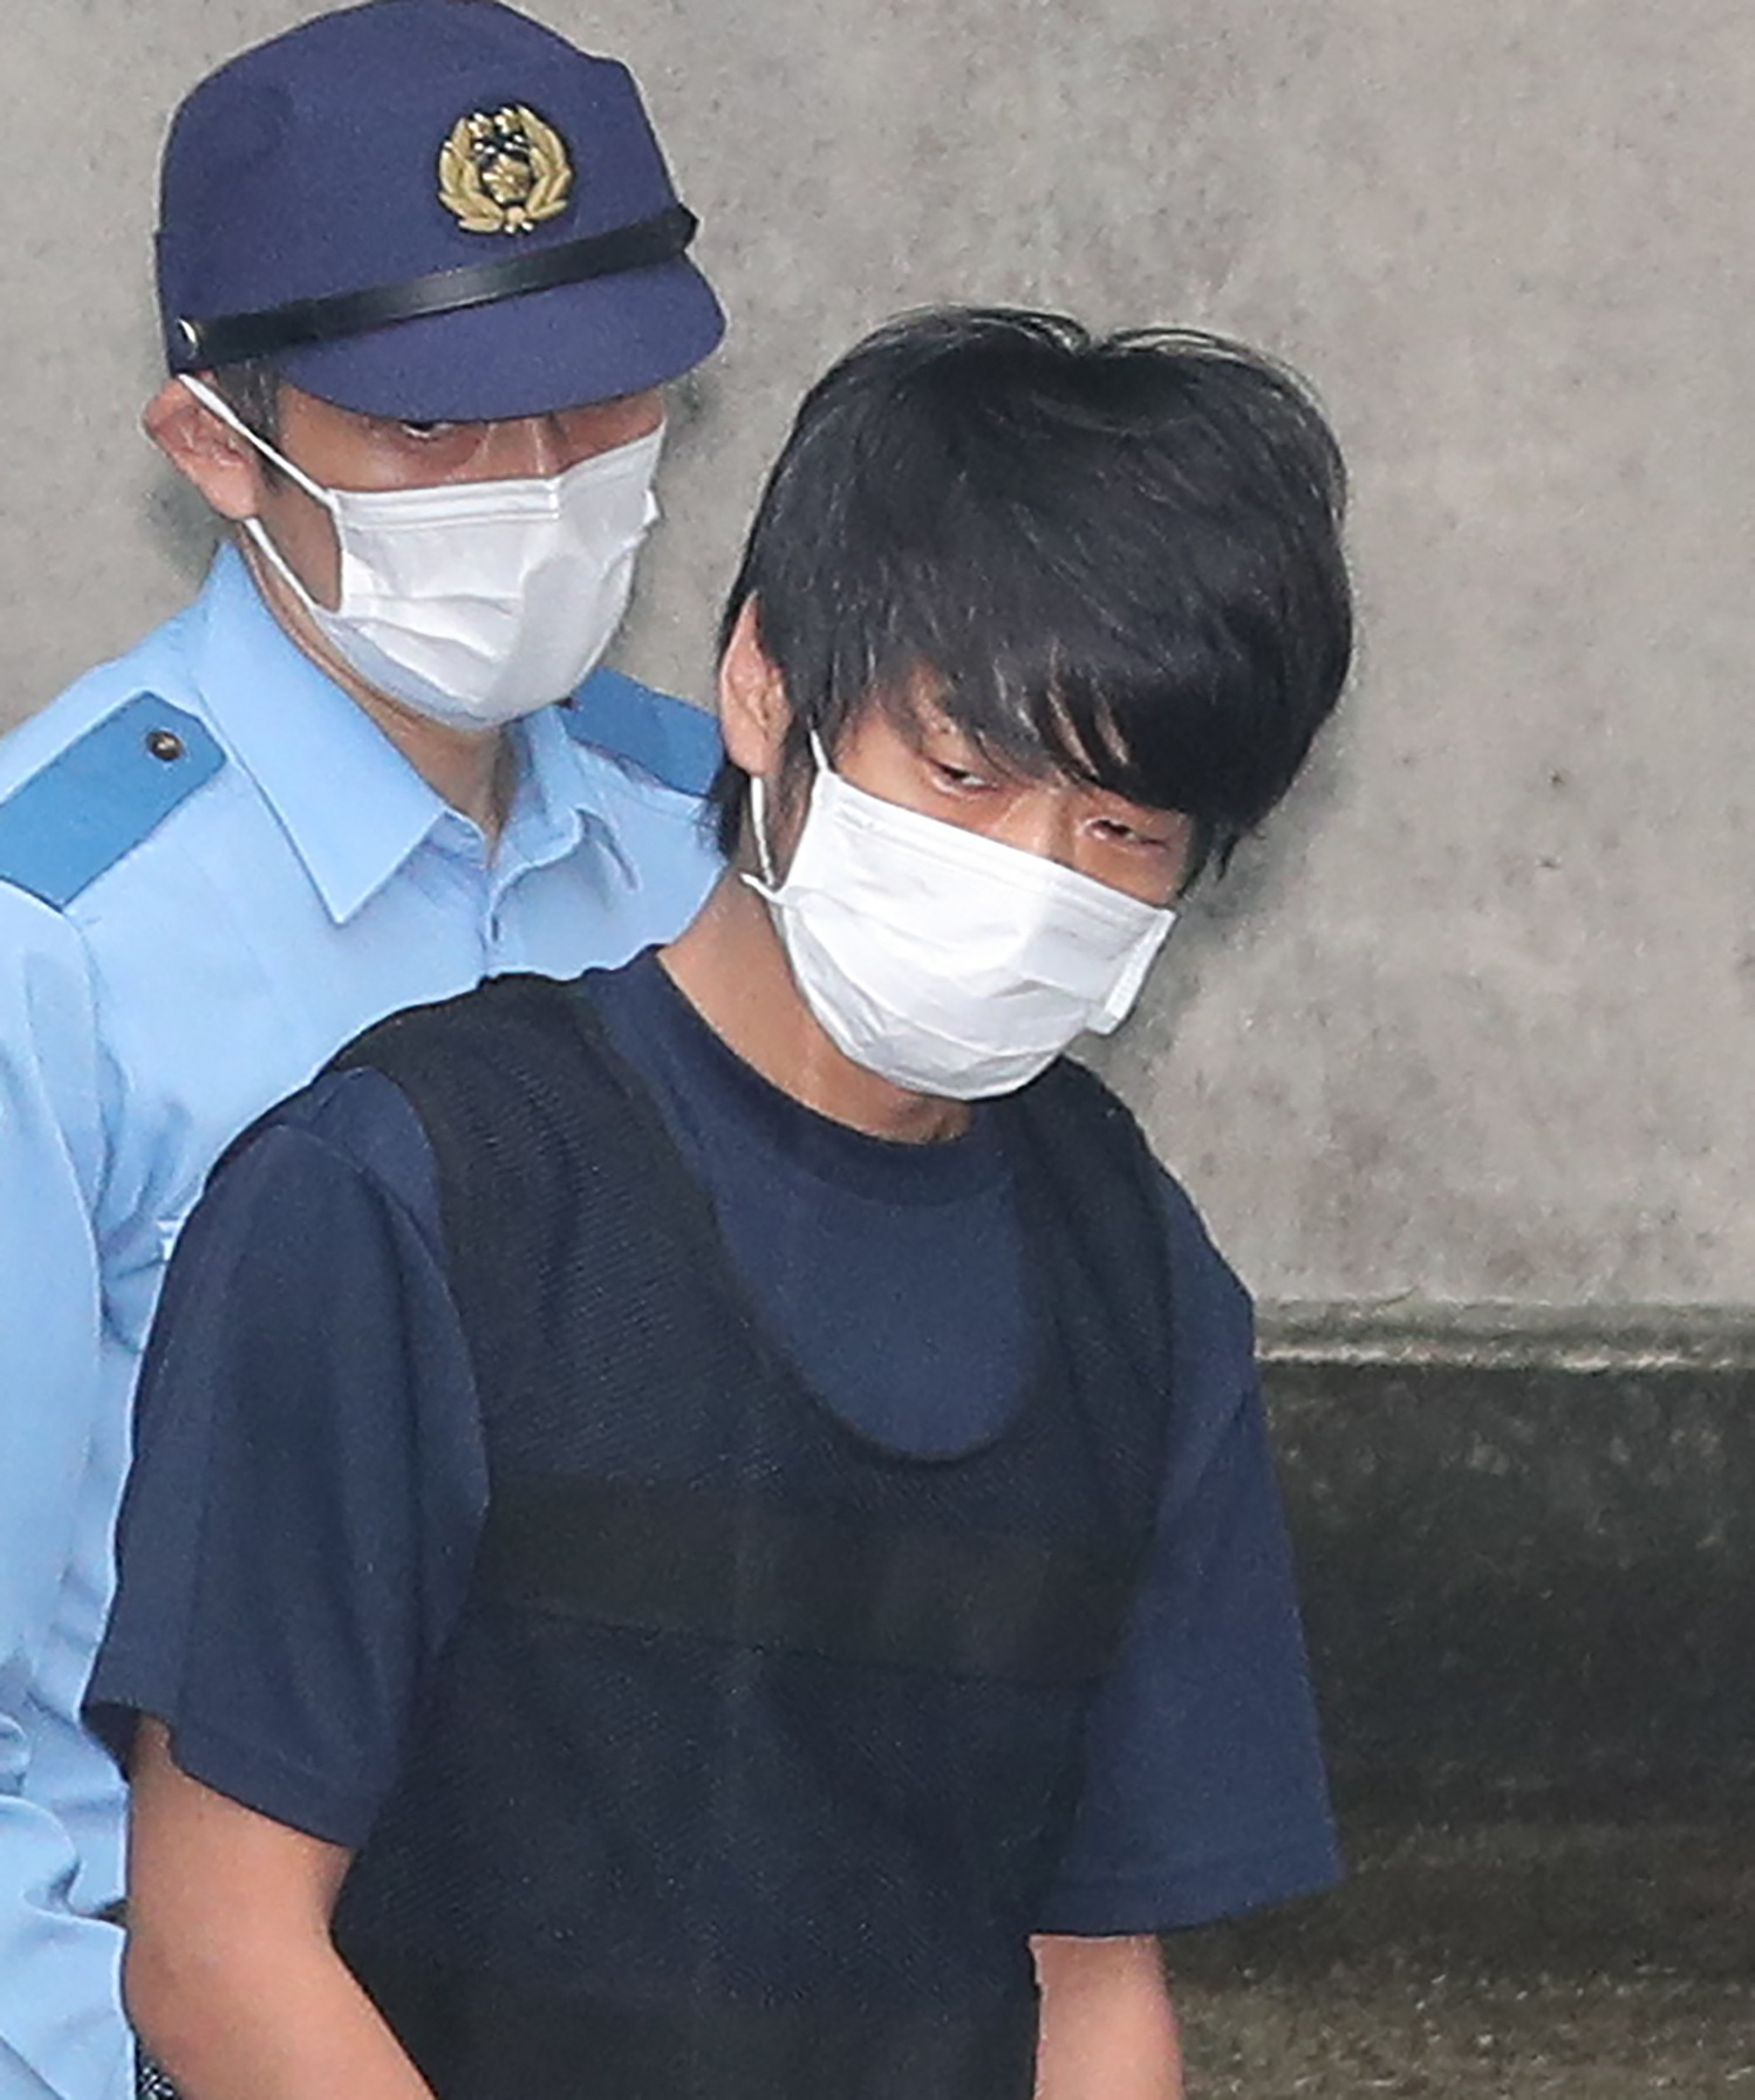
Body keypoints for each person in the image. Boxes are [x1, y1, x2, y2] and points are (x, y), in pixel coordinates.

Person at [93, 308, 1354, 2100]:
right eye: (967, 775)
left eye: (1123, 832)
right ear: (765, 684)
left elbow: (1091, 1978)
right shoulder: (411, 1190)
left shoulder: (1131, 1274)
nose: (1031, 875)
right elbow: (220, 1948)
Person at [0, 4, 730, 2094]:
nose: (539, 486)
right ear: (217, 449)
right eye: (431, 430)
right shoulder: (57, 939)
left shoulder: (711, 845)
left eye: (596, 404)